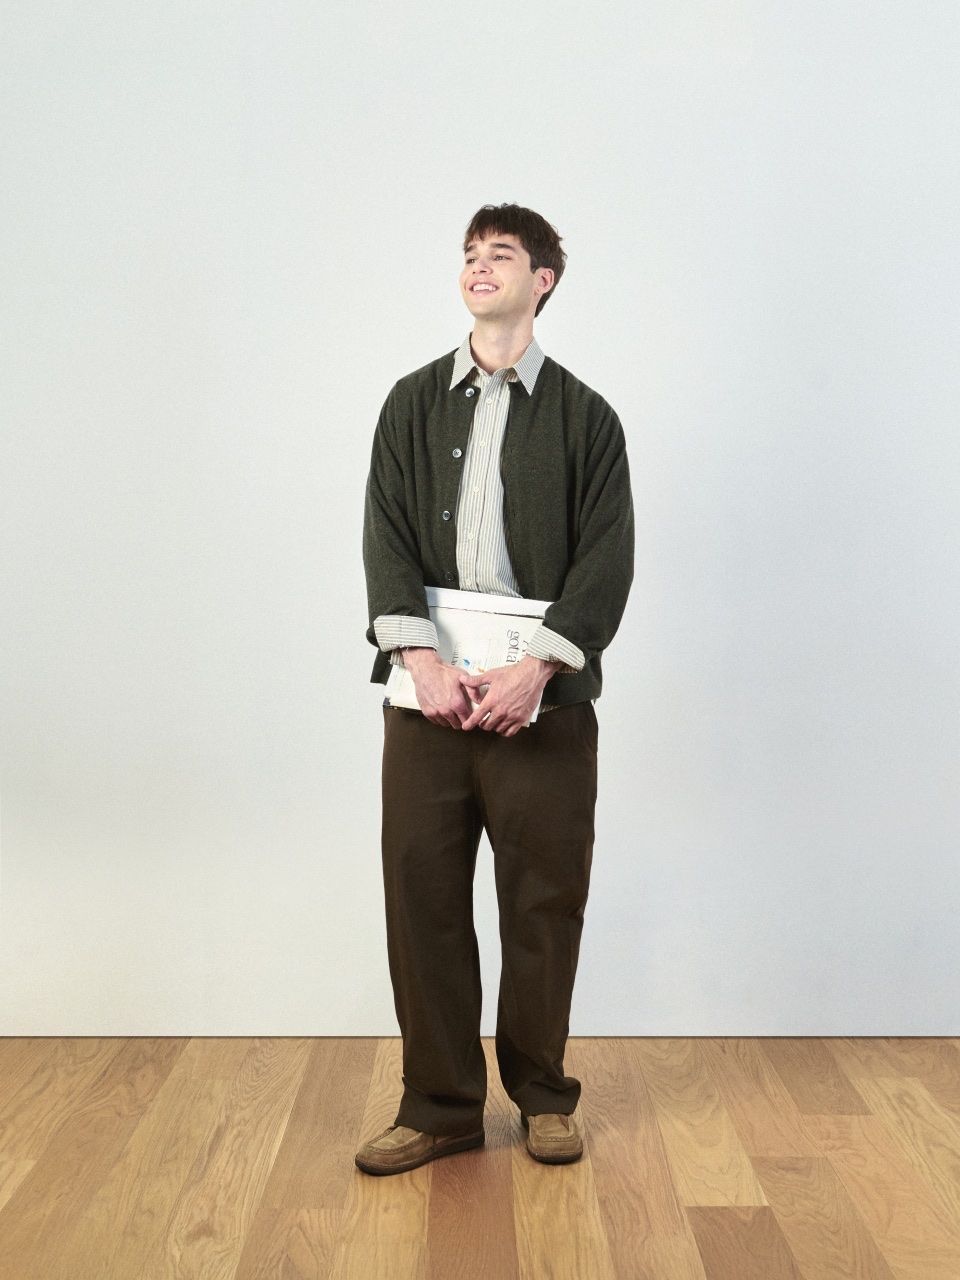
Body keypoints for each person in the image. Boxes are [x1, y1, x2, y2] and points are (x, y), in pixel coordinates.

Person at [356, 202, 635, 1176]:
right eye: (470, 254)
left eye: (501, 254)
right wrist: (420, 659)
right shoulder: (410, 404)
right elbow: (386, 533)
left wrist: (539, 668)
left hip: (541, 710)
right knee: (422, 898)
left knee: (543, 901)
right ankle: (439, 1107)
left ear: (542, 280)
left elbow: (607, 557)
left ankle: (545, 1096)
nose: (479, 266)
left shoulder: (587, 417)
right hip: (427, 704)